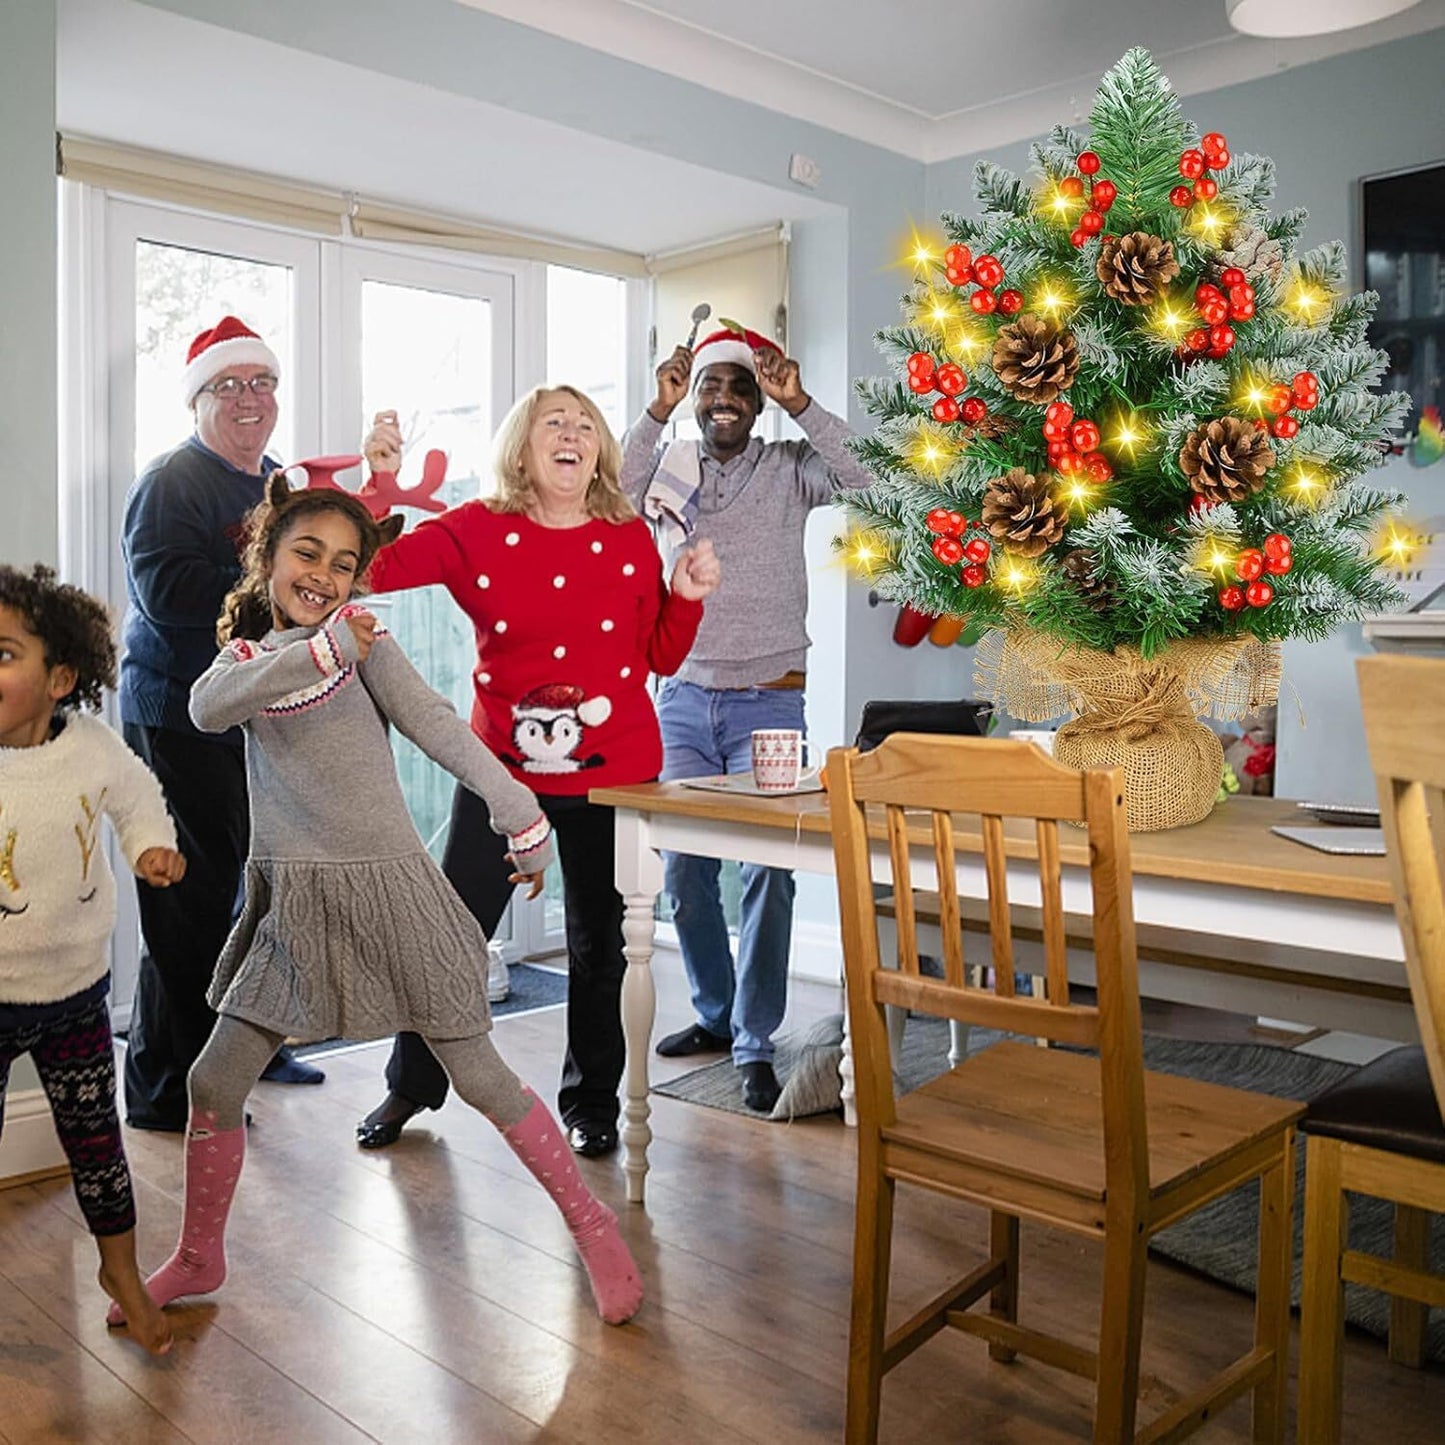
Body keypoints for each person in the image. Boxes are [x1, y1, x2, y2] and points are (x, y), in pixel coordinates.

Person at [108, 480, 643, 1328]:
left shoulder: (369, 640)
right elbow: (208, 710)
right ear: (269, 556)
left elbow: (437, 722)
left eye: (344, 563)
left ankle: (591, 1222)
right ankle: (201, 1253)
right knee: (211, 1079)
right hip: (295, 905)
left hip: (391, 890)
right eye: (306, 554)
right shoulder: (250, 664)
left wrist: (521, 815)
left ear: (361, 578)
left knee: (482, 1078)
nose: (322, 574)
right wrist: (321, 653)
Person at [354, 386, 719, 1157]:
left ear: (599, 452)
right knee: (450, 934)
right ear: (522, 445)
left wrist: (683, 598)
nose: (573, 433)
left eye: (585, 424)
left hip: (612, 772)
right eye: (555, 421)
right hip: (500, 772)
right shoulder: (476, 529)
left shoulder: (626, 536)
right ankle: (410, 1084)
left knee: (600, 947)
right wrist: (378, 485)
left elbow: (657, 655)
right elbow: (370, 569)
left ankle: (592, 1104)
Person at [619, 324, 873, 1112]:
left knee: (768, 871)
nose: (723, 399)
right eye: (709, 388)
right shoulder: (673, 467)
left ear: (758, 401)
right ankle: (713, 1012)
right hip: (685, 696)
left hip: (771, 694)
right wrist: (654, 414)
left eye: (739, 387)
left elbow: (869, 478)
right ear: (694, 400)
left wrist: (802, 403)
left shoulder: (790, 469)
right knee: (687, 869)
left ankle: (754, 1041)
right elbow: (614, 498)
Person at [118, 315, 322, 1131]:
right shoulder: (174, 480)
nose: (249, 398)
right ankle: (171, 1090)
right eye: (228, 386)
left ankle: (249, 1049)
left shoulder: (275, 481)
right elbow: (168, 596)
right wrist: (277, 598)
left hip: (250, 719)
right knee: (188, 905)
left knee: (256, 896)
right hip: (178, 719)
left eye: (261, 383)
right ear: (199, 400)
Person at [0, 564, 184, 1355]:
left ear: (60, 677)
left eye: (4, 652)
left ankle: (122, 1272)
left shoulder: (93, 748)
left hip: (76, 991)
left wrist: (151, 845)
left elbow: (139, 797)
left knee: (97, 1143)